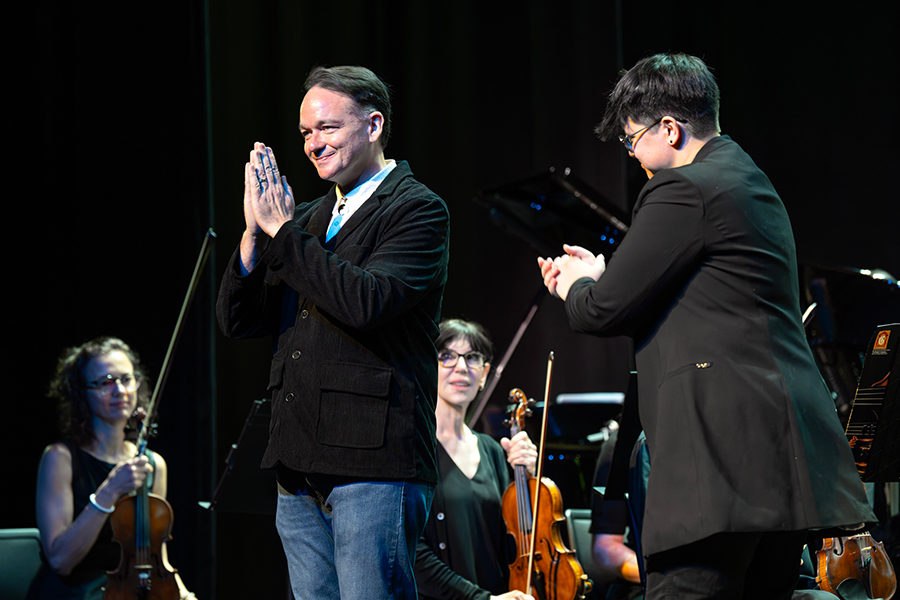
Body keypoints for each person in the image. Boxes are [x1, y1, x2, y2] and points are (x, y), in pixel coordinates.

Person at [537, 53, 875, 599]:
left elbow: (599, 312)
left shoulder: (682, 188)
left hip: (718, 470)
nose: (635, 159)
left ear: (669, 129)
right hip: (782, 471)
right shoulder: (747, 178)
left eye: (631, 141)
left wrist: (575, 282)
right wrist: (606, 276)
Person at [216, 65, 450, 600]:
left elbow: (366, 301)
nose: (313, 145)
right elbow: (239, 320)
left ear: (373, 125)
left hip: (372, 461)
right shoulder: (307, 218)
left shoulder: (417, 208)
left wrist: (282, 231)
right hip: (298, 462)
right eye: (305, 134)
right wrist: (255, 237)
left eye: (327, 129)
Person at [27, 337, 194, 600]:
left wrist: (183, 595)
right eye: (105, 383)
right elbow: (60, 560)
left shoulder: (153, 464)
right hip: (75, 593)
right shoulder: (60, 458)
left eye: (126, 379)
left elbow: (155, 554)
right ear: (81, 392)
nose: (119, 391)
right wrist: (110, 490)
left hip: (131, 591)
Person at [414, 319, 536, 600]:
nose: (461, 367)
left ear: (484, 375)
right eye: (446, 356)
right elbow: (411, 552)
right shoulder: (414, 447)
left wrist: (528, 479)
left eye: (472, 358)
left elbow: (515, 545)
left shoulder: (494, 451)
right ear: (429, 365)